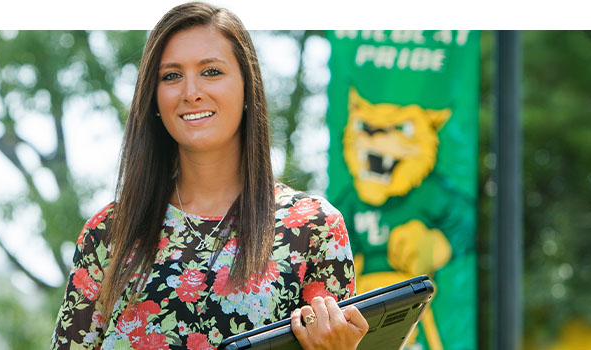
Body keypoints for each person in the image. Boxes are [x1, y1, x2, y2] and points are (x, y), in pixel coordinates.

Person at [49, 2, 366, 349]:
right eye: (171, 76)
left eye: (211, 71)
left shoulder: (314, 228)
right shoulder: (108, 232)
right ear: (153, 100)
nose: (190, 92)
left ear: (248, 87)